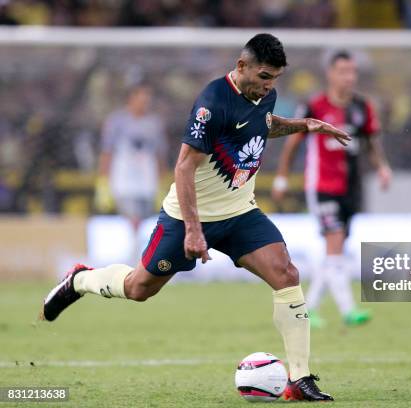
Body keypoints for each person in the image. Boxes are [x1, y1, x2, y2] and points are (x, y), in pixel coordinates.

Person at [41, 33, 350, 402]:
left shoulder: (264, 94)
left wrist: (303, 125)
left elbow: (263, 123)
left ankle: (299, 380)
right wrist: (192, 230)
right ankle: (80, 280)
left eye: (276, 79)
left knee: (286, 274)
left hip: (239, 212)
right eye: (265, 76)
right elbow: (184, 168)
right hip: (188, 216)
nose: (270, 85)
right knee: (139, 288)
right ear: (241, 67)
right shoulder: (212, 103)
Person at [271, 50, 392, 328]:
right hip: (322, 186)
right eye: (343, 71)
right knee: (335, 242)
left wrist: (382, 167)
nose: (349, 77)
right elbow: (292, 143)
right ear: (330, 73)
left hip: (351, 187)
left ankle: (308, 309)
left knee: (334, 252)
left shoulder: (363, 107)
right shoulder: (314, 106)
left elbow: (372, 143)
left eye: (352, 72)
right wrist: (281, 177)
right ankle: (348, 311)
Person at [95, 82, 167, 259]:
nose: (145, 102)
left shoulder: (154, 124)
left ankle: (141, 253)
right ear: (131, 98)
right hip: (123, 180)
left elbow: (159, 154)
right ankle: (134, 256)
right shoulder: (116, 122)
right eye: (142, 97)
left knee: (143, 220)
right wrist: (103, 182)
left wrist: (162, 182)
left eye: (148, 98)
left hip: (147, 181)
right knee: (131, 217)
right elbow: (107, 151)